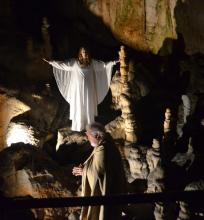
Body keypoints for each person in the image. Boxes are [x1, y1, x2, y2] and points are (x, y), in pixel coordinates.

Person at [43, 47, 118, 131]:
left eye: (85, 51)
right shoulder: (75, 62)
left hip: (88, 89)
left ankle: (89, 126)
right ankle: (78, 126)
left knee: (87, 105)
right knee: (78, 105)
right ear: (80, 53)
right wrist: (51, 62)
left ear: (87, 53)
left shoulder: (92, 63)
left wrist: (114, 62)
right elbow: (62, 65)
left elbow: (103, 65)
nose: (84, 53)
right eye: (83, 52)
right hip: (77, 90)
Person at [72, 122, 126, 220]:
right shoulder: (106, 142)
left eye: (88, 136)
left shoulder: (103, 149)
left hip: (109, 191)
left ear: (97, 135)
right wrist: (85, 167)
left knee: (104, 214)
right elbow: (95, 164)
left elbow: (98, 174)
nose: (87, 138)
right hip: (113, 189)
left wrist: (84, 171)